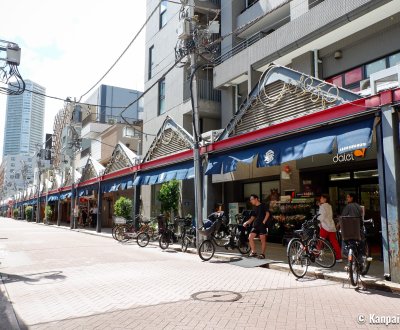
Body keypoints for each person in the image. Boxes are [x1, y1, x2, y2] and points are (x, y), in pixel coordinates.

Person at [243, 194, 271, 259]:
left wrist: (264, 222)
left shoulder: (263, 205)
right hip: (255, 225)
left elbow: (267, 213)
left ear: (256, 199)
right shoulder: (254, 208)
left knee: (262, 240)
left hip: (262, 225)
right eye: (250, 200)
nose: (250, 201)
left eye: (251, 199)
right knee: (250, 237)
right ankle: (254, 252)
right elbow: (252, 217)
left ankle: (262, 254)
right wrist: (246, 222)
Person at [318, 194, 342, 262]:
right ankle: (339, 257)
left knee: (320, 241)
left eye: (322, 198)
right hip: (331, 226)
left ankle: (316, 255)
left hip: (325, 226)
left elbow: (321, 217)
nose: (320, 199)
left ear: (325, 199)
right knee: (334, 242)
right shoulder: (329, 206)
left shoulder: (322, 206)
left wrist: (317, 221)